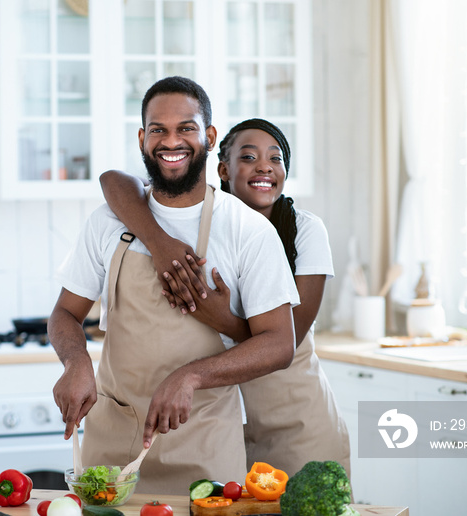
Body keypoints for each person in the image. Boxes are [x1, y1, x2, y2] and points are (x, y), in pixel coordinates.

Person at [48, 77, 299, 495]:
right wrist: (75, 362)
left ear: (209, 137)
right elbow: (64, 313)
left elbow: (279, 343)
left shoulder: (247, 230)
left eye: (186, 128)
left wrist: (192, 376)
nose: (171, 141)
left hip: (204, 445)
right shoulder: (108, 222)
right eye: (159, 130)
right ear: (143, 138)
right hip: (113, 444)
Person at [99, 118, 351, 477]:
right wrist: (156, 240)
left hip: (296, 423)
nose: (264, 165)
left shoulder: (304, 230)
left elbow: (287, 341)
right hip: (224, 426)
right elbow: (114, 181)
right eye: (248, 157)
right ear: (223, 169)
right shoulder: (212, 223)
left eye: (275, 158)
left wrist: (220, 318)